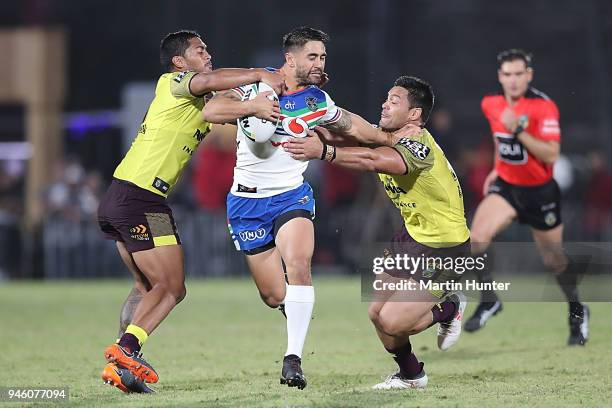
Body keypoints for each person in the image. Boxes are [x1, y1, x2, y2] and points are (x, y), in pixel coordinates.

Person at [202, 26, 407, 390]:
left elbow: (352, 125)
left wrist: (390, 136)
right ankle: (295, 308)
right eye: (312, 56)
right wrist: (253, 108)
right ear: (290, 58)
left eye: (323, 57)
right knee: (273, 296)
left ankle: (292, 360)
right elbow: (212, 109)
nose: (319, 63)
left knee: (299, 264)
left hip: (291, 195)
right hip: (246, 201)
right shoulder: (257, 85)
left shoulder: (316, 99)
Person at [97, 29, 284, 393]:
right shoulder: (174, 82)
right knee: (172, 287)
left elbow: (229, 106)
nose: (208, 54)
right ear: (179, 61)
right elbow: (216, 82)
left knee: (148, 286)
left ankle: (124, 369)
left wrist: (271, 94)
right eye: (200, 50)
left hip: (127, 196)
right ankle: (126, 349)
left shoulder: (199, 102)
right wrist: (260, 74)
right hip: (139, 199)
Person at [285, 76, 470, 390]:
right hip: (412, 237)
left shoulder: (418, 146)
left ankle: (451, 305)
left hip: (445, 248)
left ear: (414, 114)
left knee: (395, 321)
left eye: (395, 100)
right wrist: (320, 112)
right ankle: (412, 376)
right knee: (376, 313)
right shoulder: (389, 135)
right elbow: (355, 129)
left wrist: (324, 151)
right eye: (387, 97)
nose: (385, 103)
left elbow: (373, 159)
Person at [464, 49, 589, 346]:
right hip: (507, 188)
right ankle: (489, 300)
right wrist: (497, 168)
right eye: (507, 74)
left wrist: (518, 130)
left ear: (529, 75)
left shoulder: (543, 107)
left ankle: (577, 310)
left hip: (540, 192)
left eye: (519, 74)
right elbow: (499, 138)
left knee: (554, 260)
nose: (513, 80)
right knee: (476, 239)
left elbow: (551, 154)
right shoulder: (490, 103)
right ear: (500, 76)